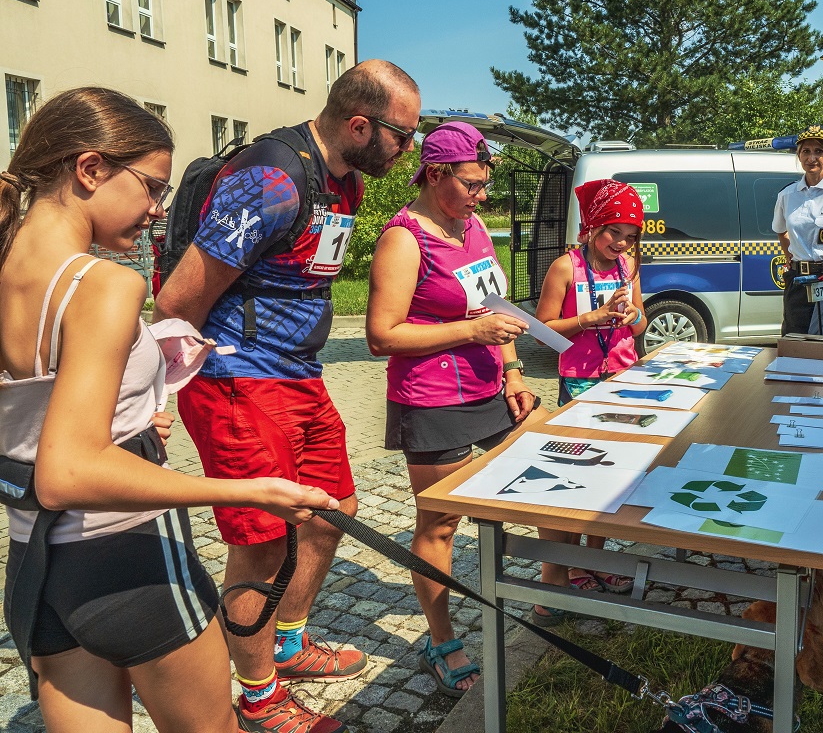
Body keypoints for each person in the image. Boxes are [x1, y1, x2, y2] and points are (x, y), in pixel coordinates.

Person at [0, 87, 337, 733]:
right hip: (131, 560)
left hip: (37, 570)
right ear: (90, 168)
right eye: (152, 186)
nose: (159, 210)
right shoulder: (103, 285)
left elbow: (45, 412)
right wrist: (249, 489)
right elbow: (67, 472)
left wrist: (135, 399)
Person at [154, 59, 420, 732]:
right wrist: (156, 395)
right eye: (402, 136)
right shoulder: (272, 180)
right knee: (264, 539)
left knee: (334, 512)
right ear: (360, 124)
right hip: (238, 381)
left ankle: (289, 642)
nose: (407, 150)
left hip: (298, 376)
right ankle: (257, 693)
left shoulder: (345, 183)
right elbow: (179, 298)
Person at [365, 121, 542, 696]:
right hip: (433, 399)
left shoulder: (475, 229)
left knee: (539, 482)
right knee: (441, 521)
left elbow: (496, 306)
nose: (481, 196)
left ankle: (553, 584)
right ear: (434, 173)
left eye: (484, 184)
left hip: (490, 388)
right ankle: (443, 639)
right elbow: (381, 335)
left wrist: (513, 368)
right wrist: (473, 329)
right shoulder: (404, 238)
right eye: (471, 184)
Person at [534, 178, 646, 606]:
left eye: (630, 236)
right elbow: (541, 330)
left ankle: (594, 560)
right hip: (579, 384)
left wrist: (633, 314)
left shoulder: (629, 266)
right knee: (579, 478)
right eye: (613, 232)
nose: (620, 242)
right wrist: (589, 319)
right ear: (594, 225)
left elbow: (641, 326)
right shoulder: (567, 267)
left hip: (623, 381)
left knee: (613, 477)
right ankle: (572, 563)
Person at [772, 125, 823, 335]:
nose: (811, 158)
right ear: (798, 155)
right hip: (799, 281)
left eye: (818, 151)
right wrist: (789, 257)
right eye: (805, 151)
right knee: (795, 340)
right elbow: (781, 230)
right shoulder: (787, 195)